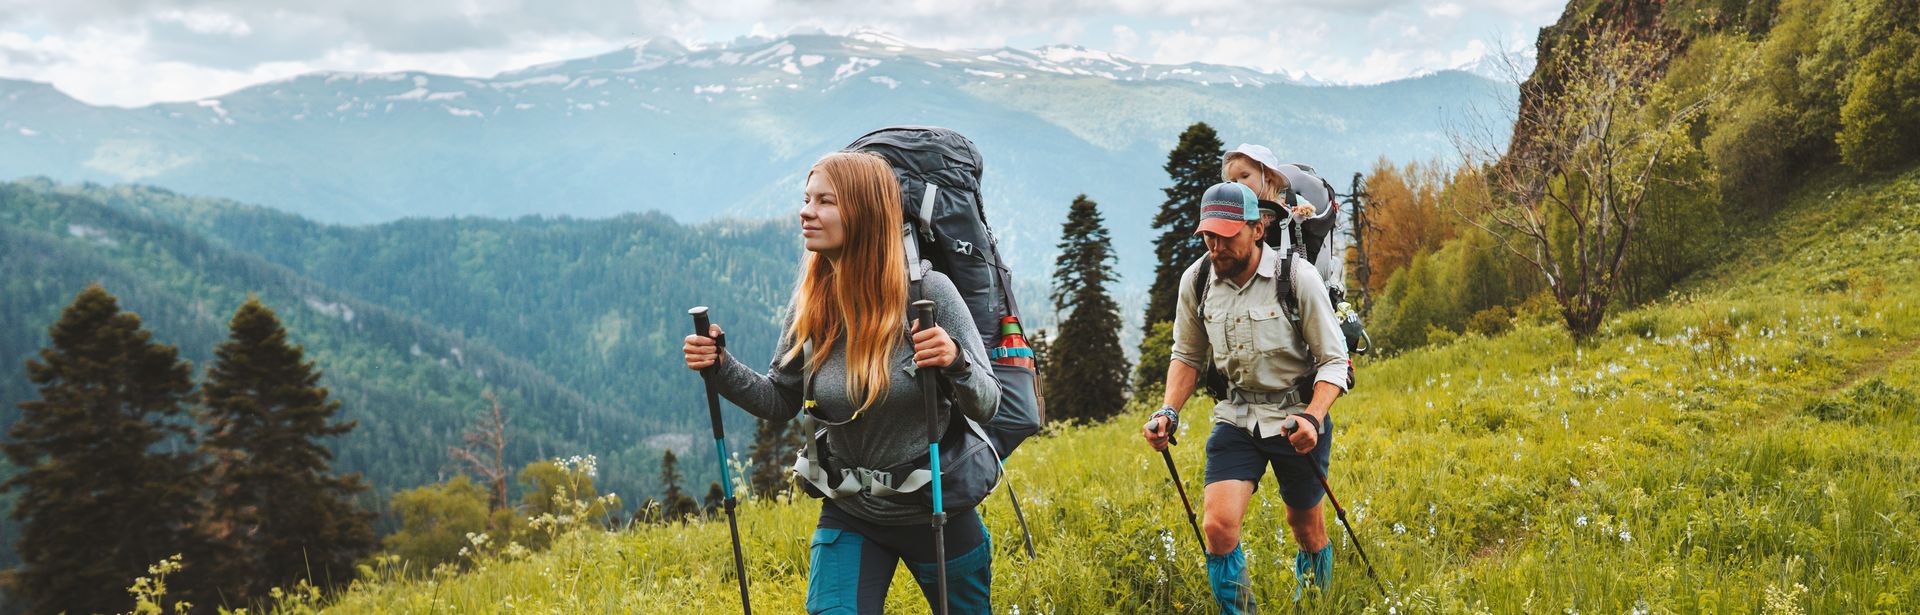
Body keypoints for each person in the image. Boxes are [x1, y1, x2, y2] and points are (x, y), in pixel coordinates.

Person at [683, 151, 1000, 614]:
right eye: (806, 198)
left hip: (938, 510)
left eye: (824, 201)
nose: (805, 211)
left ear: (864, 213)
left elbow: (989, 403)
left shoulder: (928, 296)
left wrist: (956, 360)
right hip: (851, 512)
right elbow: (779, 398)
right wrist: (720, 366)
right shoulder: (813, 301)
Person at [1141, 180, 1352, 610]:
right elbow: (1187, 355)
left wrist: (1313, 417)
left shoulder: (1297, 278)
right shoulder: (1197, 281)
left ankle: (1312, 605)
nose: (1215, 246)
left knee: (1306, 529)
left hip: (1297, 419)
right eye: (1208, 235)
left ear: (1258, 228)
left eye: (1226, 234)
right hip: (1236, 416)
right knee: (1218, 528)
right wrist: (1169, 411)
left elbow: (1335, 361)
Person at [1222, 144, 1347, 302]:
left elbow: (1309, 211)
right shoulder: (1240, 209)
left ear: (1266, 175)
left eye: (1245, 176)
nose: (1239, 185)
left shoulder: (1286, 200)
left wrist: (1302, 213)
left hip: (1292, 262)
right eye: (1233, 181)